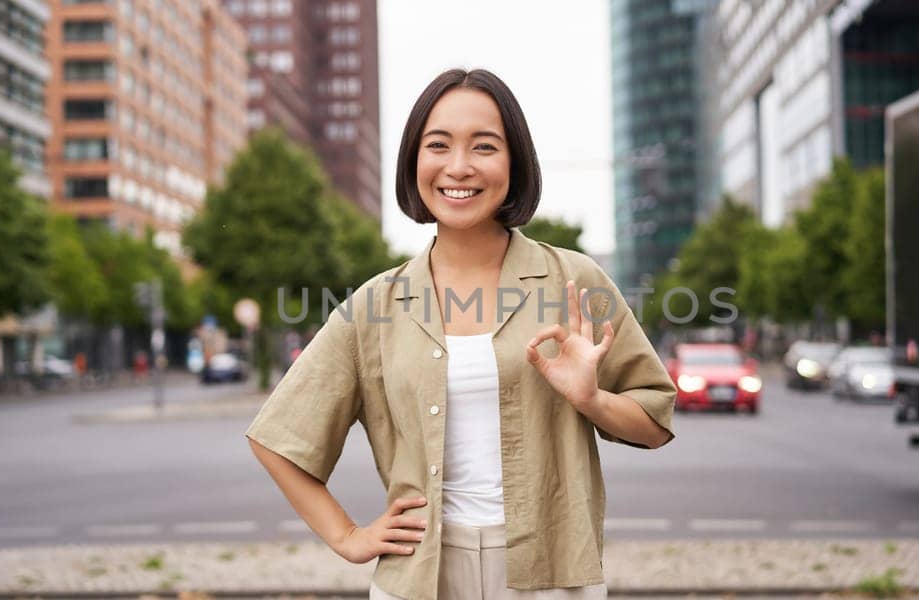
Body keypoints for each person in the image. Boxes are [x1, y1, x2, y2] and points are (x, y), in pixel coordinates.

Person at [246, 68, 677, 600]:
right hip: (421, 575)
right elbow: (278, 437)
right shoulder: (375, 305)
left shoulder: (573, 282)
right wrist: (349, 536)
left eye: (484, 146)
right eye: (438, 145)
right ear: (414, 161)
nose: (459, 166)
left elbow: (654, 422)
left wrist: (591, 399)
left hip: (550, 572)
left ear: (514, 163)